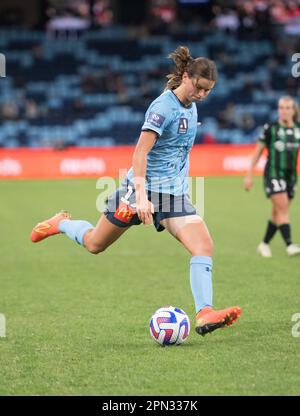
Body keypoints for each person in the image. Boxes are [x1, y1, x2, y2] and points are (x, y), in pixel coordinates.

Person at [30, 46, 242, 336]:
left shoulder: (191, 109)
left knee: (203, 245)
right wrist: (141, 197)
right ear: (186, 76)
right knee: (95, 244)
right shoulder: (162, 107)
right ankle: (61, 223)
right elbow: (140, 153)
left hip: (173, 197)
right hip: (137, 192)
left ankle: (204, 313)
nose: (203, 95)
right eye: (200, 87)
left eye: (208, 91)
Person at [244, 95, 300, 257]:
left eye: (287, 108)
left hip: (291, 177)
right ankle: (289, 245)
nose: (284, 111)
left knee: (278, 212)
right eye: (281, 108)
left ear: (293, 110)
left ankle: (264, 244)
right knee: (282, 208)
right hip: (273, 174)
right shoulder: (271, 128)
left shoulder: (298, 129)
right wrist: (249, 175)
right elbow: (257, 153)